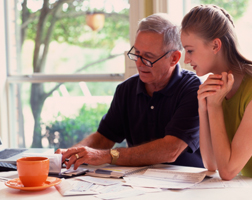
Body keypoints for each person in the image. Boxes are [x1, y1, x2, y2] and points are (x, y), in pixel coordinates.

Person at [56, 13, 204, 169]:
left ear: (174, 58)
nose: (139, 63)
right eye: (137, 53)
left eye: (148, 57)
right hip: (135, 183)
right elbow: (104, 137)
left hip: (185, 184)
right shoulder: (126, 89)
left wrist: (107, 156)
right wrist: (73, 153)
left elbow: (170, 149)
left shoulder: (193, 89)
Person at [180, 4, 252, 189]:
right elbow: (211, 164)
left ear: (215, 45)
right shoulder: (217, 89)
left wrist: (214, 106)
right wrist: (203, 108)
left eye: (190, 50)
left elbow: (227, 171)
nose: (186, 60)